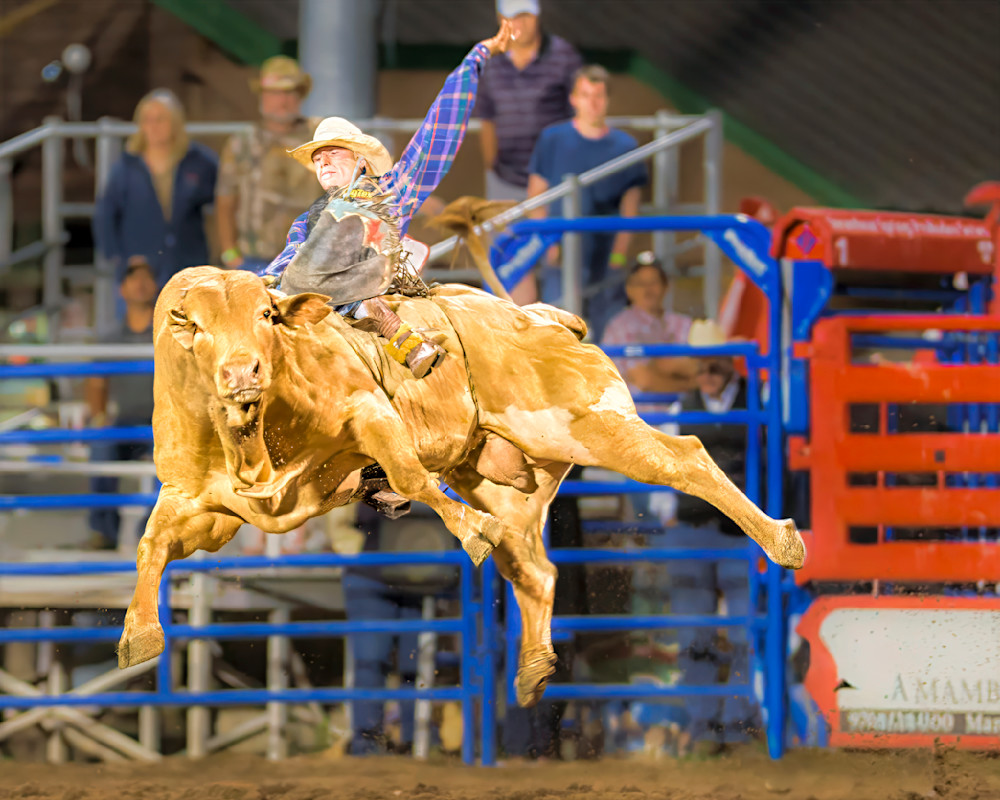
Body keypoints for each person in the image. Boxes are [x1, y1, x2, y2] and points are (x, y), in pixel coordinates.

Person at [262, 20, 515, 379]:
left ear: (361, 161)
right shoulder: (307, 220)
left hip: (370, 283)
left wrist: (477, 57)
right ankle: (376, 317)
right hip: (321, 304)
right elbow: (287, 267)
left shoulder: (390, 192)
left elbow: (436, 130)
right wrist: (259, 288)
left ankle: (376, 314)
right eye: (319, 159)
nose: (324, 163)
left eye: (334, 153)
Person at [669, 319, 762, 756]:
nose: (707, 369)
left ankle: (735, 722)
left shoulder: (757, 400)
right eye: (702, 363)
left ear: (728, 362)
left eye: (714, 362)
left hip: (741, 530)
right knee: (695, 633)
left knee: (748, 629)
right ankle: (706, 726)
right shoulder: (680, 408)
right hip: (695, 528)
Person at [525, 65, 648, 340]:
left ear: (607, 101)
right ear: (573, 99)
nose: (592, 103)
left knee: (607, 328)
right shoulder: (552, 139)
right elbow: (536, 195)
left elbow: (631, 208)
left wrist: (619, 253)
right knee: (558, 328)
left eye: (599, 96)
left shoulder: (625, 146)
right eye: (586, 95)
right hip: (562, 252)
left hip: (606, 255)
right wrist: (549, 243)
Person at [94, 89, 217, 292]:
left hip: (189, 267)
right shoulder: (126, 168)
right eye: (147, 120)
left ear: (176, 123)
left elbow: (222, 203)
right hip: (140, 272)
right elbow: (105, 215)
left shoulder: (199, 163)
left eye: (161, 119)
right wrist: (118, 258)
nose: (154, 126)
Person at [215, 57, 322, 272]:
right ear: (262, 97)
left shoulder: (319, 137)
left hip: (309, 259)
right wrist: (230, 253)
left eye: (289, 92)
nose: (281, 100)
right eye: (274, 92)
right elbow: (225, 200)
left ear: (300, 95)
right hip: (252, 260)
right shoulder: (242, 143)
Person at [83, 256, 158, 550]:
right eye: (132, 278)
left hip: (161, 424)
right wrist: (99, 417)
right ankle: (104, 532)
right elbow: (95, 383)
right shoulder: (110, 338)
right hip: (125, 422)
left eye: (146, 277)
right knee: (101, 445)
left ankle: (149, 536)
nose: (140, 284)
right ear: (122, 289)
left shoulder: (170, 332)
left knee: (170, 465)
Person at [475, 0, 582, 203]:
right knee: (505, 235)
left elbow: (578, 115)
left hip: (555, 179)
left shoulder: (565, 56)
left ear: (537, 16)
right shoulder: (489, 60)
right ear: (501, 19)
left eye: (526, 16)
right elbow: (486, 118)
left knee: (557, 234)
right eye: (513, 17)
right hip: (504, 181)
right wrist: (492, 168)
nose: (520, 24)